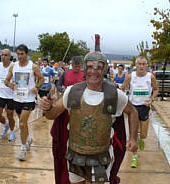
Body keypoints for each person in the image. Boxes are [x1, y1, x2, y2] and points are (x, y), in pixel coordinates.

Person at [40, 48, 139, 183]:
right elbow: (53, 114)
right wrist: (47, 108)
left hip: (101, 156)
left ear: (104, 70)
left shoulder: (115, 95)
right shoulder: (72, 92)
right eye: (90, 67)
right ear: (85, 69)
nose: (94, 71)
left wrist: (133, 138)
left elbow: (133, 111)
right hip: (75, 155)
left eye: (98, 67)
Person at [4, 44, 44, 161]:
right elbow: (6, 80)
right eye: (18, 54)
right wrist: (9, 84)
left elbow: (41, 78)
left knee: (21, 123)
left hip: (29, 99)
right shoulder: (13, 66)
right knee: (23, 124)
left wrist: (36, 87)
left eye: (22, 54)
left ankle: (22, 149)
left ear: (27, 54)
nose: (20, 56)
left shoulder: (33, 67)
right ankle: (28, 139)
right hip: (17, 98)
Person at [51, 56, 85, 184]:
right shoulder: (66, 73)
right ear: (72, 64)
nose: (76, 67)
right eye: (74, 65)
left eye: (78, 65)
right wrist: (61, 90)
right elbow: (58, 85)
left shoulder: (84, 74)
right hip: (66, 108)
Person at [121, 56, 159, 168]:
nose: (141, 66)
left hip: (145, 108)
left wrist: (151, 99)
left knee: (143, 134)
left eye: (144, 64)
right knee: (133, 135)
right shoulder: (130, 76)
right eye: (139, 64)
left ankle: (140, 139)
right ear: (136, 65)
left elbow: (156, 89)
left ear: (146, 65)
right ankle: (135, 157)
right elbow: (123, 88)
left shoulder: (150, 77)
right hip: (133, 109)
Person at [0, 49, 15, 141]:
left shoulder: (13, 66)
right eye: (2, 55)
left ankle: (12, 132)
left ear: (10, 56)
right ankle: (6, 125)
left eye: (6, 55)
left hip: (10, 95)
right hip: (1, 94)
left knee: (10, 115)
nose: (3, 56)